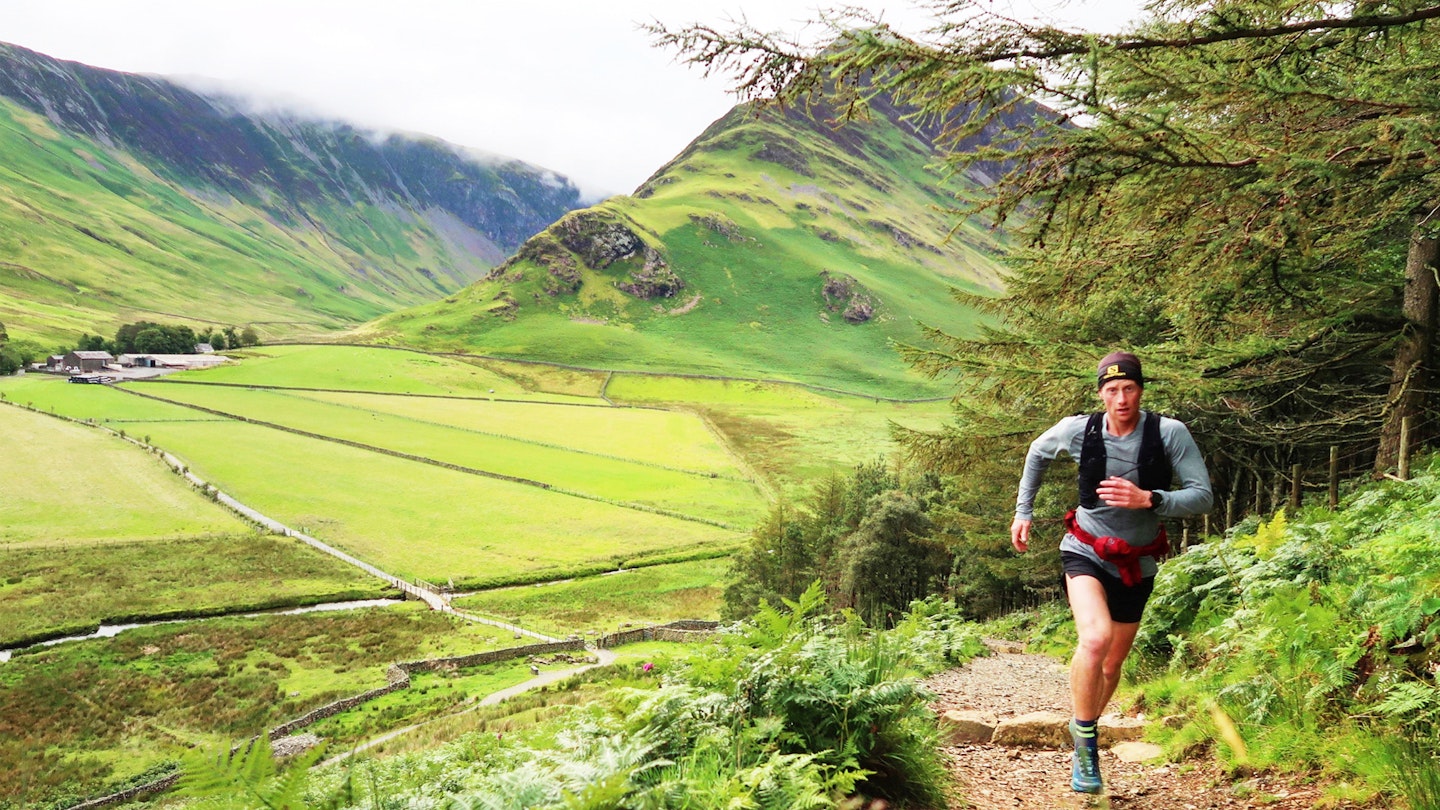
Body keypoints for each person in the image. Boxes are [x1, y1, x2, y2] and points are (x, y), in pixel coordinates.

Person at [1010, 351, 1212, 794]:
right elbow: (1036, 453)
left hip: (1137, 561)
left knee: (1113, 662)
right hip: (1084, 547)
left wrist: (1152, 499)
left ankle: (1083, 722)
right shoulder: (1078, 429)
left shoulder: (1168, 433)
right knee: (1095, 639)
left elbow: (1202, 496)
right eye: (1112, 390)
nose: (1121, 398)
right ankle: (1086, 746)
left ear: (1141, 391)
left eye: (1130, 389)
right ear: (1101, 393)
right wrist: (1022, 512)